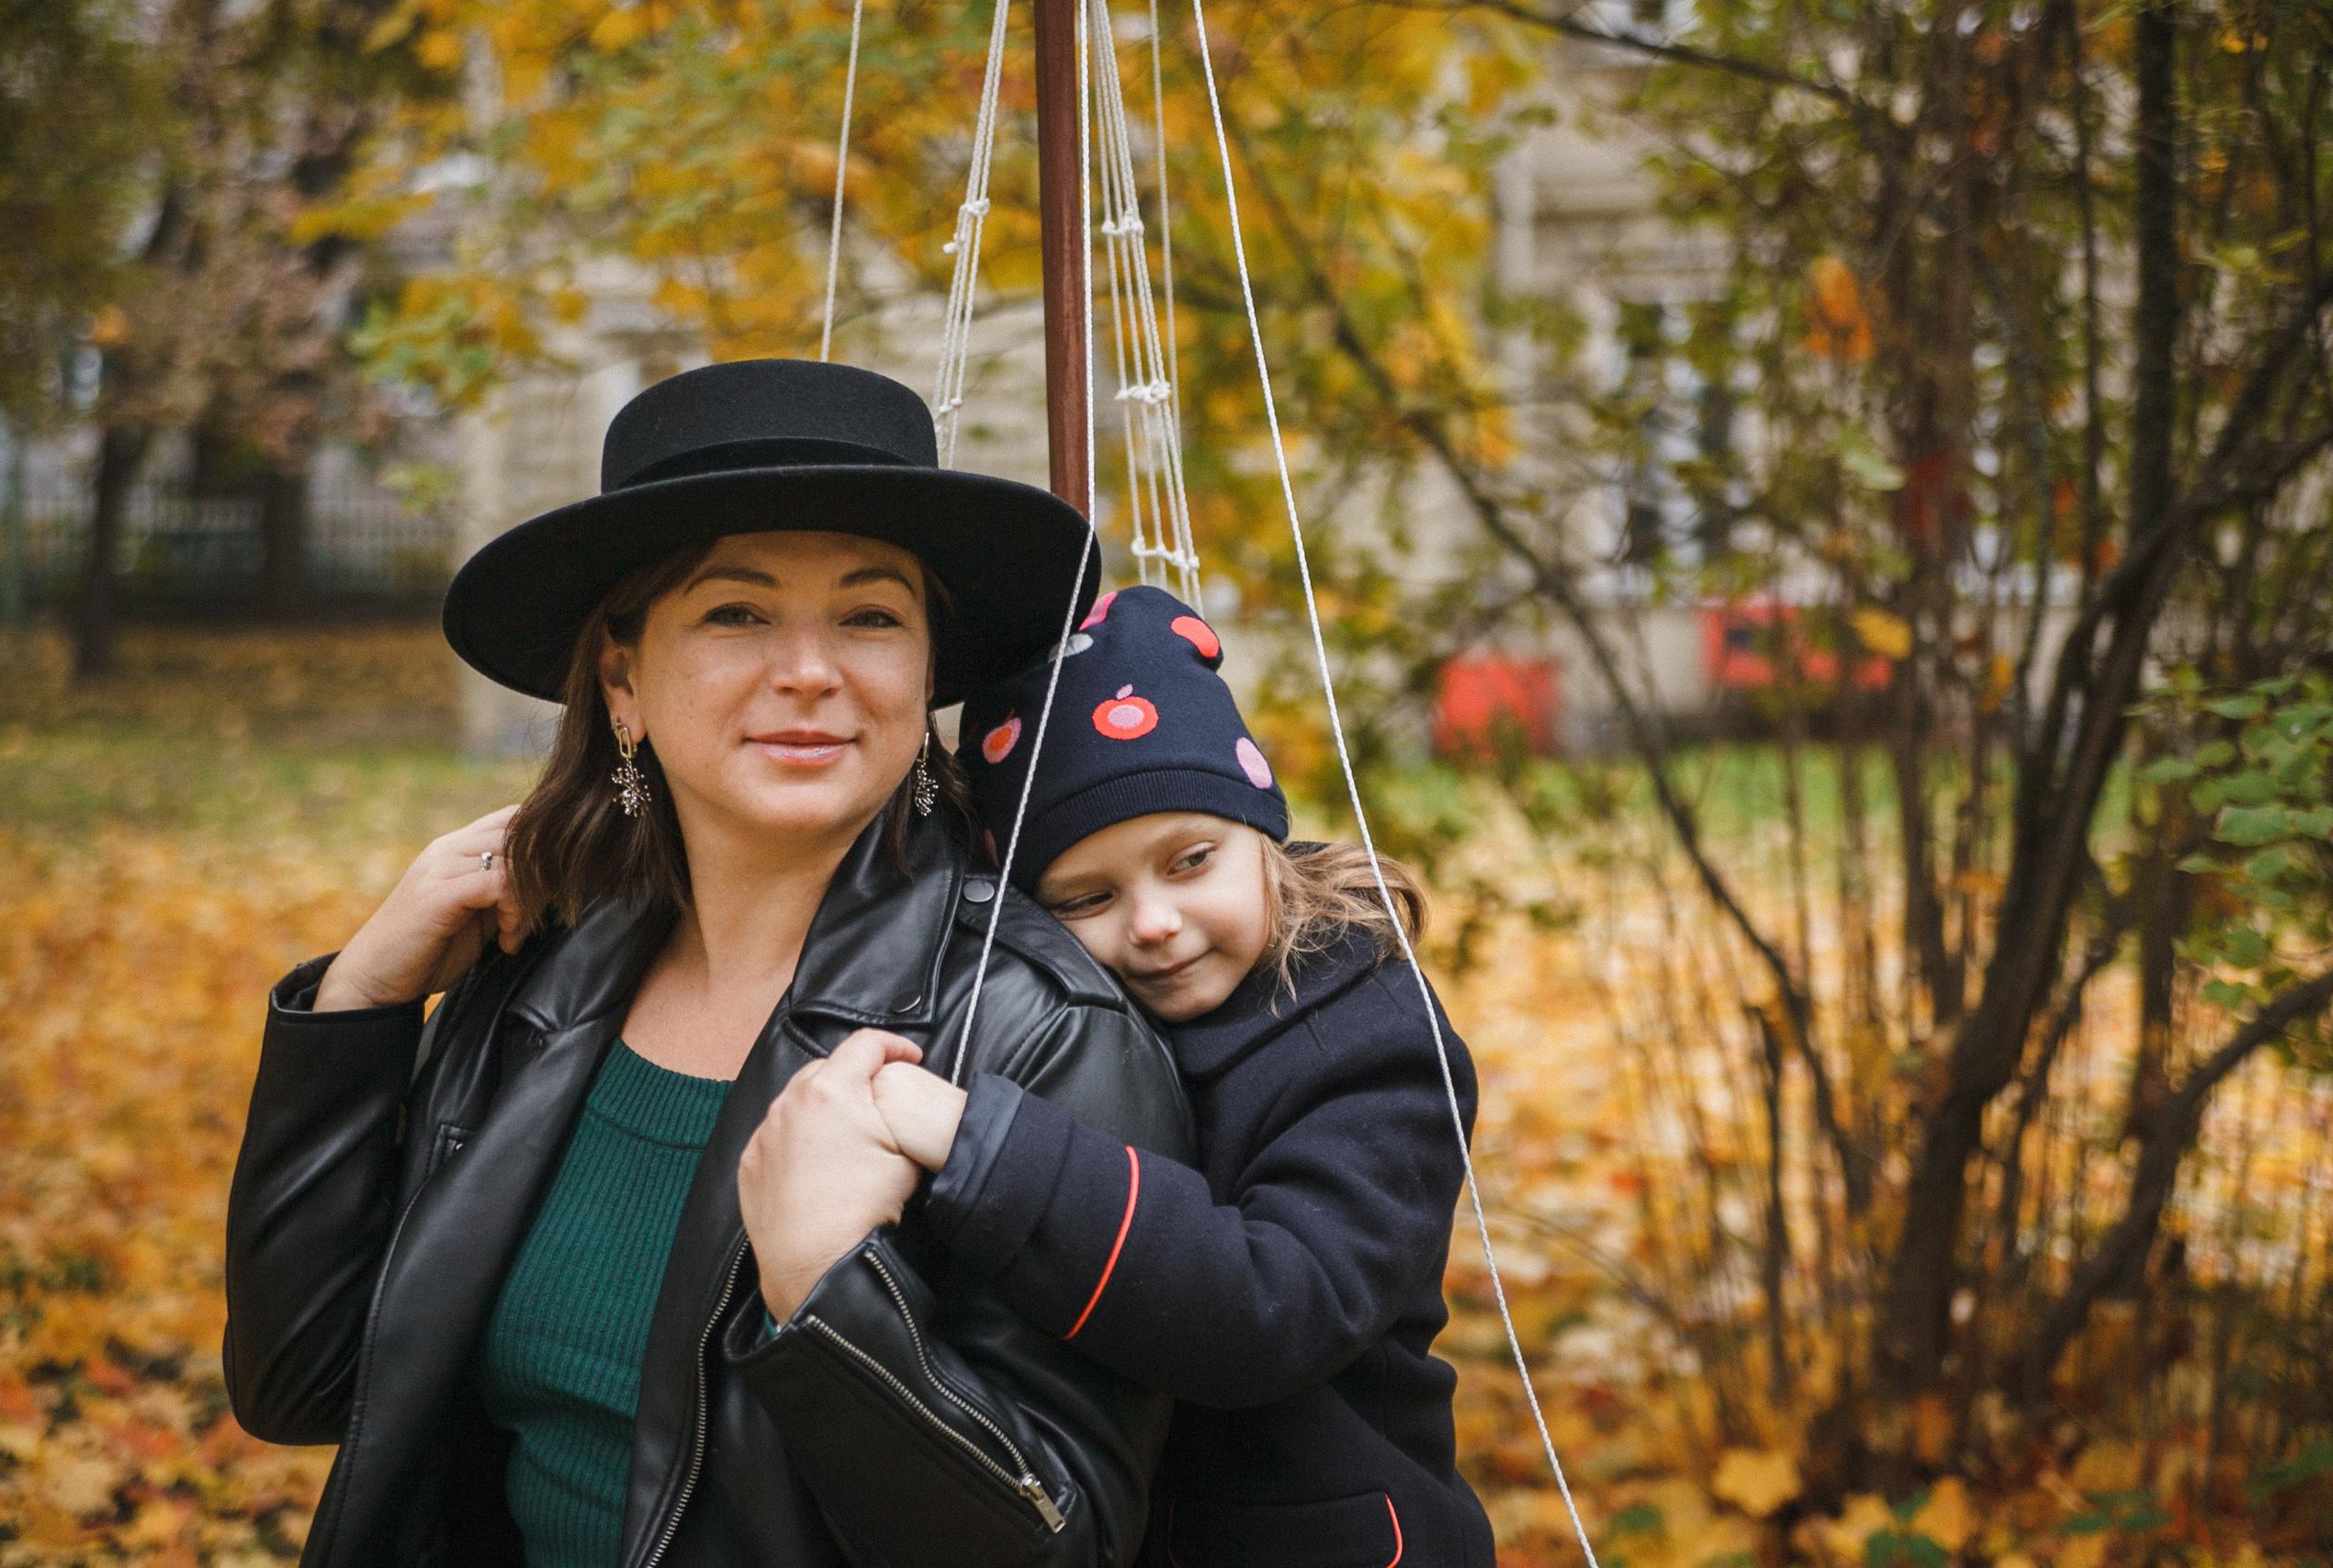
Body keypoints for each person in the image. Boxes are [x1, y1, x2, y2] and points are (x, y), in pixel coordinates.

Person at [221, 361, 1194, 1568]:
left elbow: (1069, 1541)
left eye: (870, 616)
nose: (810, 670)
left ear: (925, 672)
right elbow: (305, 1381)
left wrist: (824, 1297)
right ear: (622, 679)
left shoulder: (1038, 1031)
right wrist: (359, 1004)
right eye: (736, 612)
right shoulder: (540, 969)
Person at [869, 585, 1497, 1567]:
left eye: (1191, 859)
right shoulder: (1053, 1023)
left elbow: (1272, 1309)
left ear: (1263, 838)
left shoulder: (1371, 1040)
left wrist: (982, 1147)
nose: (1154, 922)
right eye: (1086, 897)